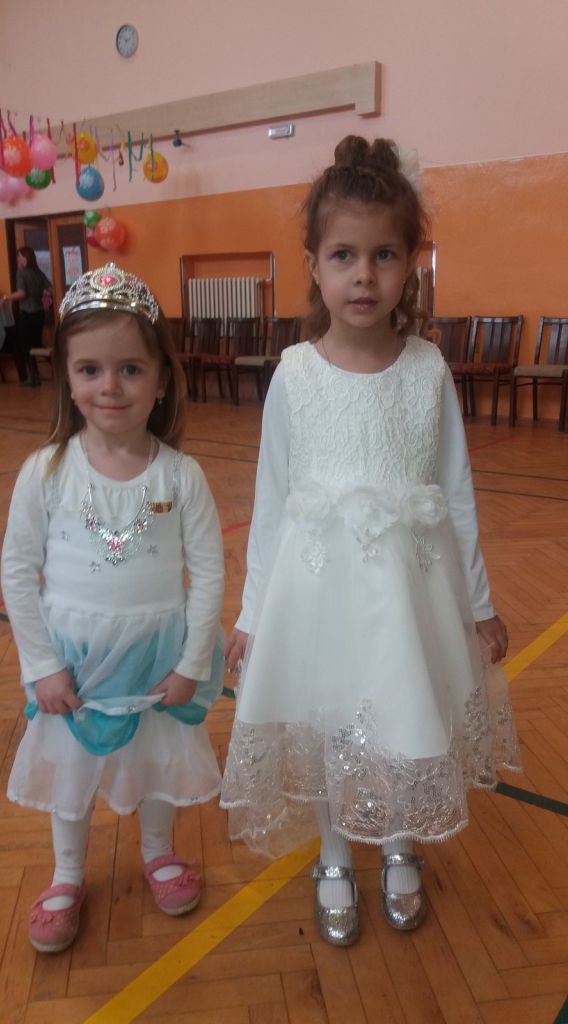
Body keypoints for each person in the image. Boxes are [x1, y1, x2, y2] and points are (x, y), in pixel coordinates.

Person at [220, 136, 521, 947]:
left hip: (410, 595)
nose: (363, 275)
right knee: (328, 727)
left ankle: (397, 842)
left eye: (384, 255)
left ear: (410, 266)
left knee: (403, 717)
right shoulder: (295, 374)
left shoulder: (427, 370)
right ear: (314, 266)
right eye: (344, 255)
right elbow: (272, 504)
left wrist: (479, 606)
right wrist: (251, 615)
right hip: (316, 597)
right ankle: (331, 854)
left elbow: (456, 492)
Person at [1, 263, 225, 954]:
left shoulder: (182, 475)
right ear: (67, 378)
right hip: (75, 664)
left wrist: (191, 664)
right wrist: (40, 666)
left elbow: (208, 574)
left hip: (158, 657)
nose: (110, 387)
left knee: (156, 759)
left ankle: (157, 851)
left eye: (130, 369)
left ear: (160, 379)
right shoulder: (46, 472)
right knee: (72, 770)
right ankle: (67, 873)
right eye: (91, 370)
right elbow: (17, 573)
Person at [0, 246, 52, 385]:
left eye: (19, 256)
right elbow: (49, 289)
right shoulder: (38, 272)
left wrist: (5, 298)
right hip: (39, 313)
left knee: (25, 346)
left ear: (24, 258)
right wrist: (40, 295)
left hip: (27, 314)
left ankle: (32, 377)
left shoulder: (21, 273)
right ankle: (54, 366)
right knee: (36, 344)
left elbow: (21, 293)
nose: (17, 259)